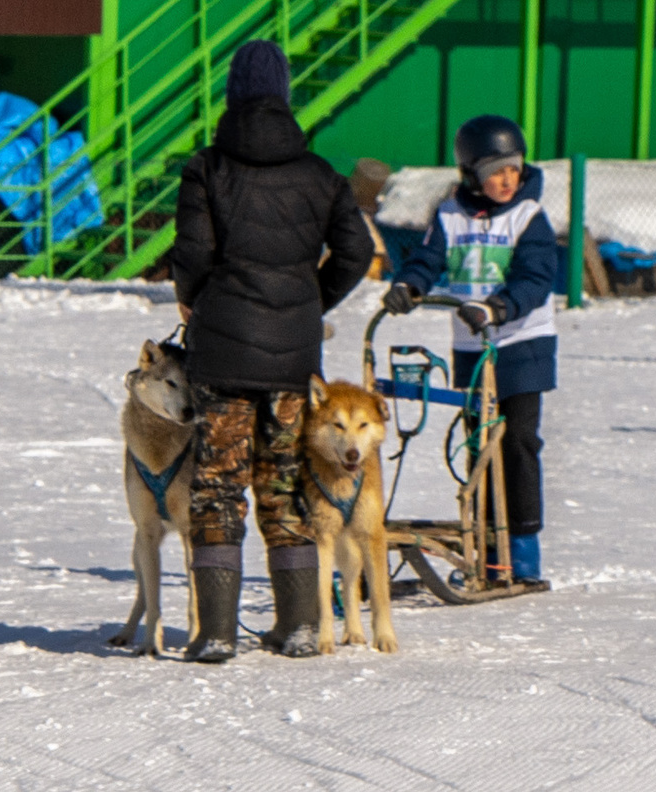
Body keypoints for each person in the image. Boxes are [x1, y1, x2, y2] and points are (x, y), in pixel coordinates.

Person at [168, 40, 375, 659]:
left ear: (231, 94)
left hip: (222, 355)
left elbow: (192, 254)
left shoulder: (206, 168)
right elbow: (358, 253)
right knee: (284, 482)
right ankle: (300, 624)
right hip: (292, 361)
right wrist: (311, 301)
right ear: (285, 95)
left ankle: (216, 631)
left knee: (216, 484)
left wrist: (201, 302)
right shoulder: (321, 175)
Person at [384, 113, 561, 585]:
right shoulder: (449, 214)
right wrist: (409, 285)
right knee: (479, 445)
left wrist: (499, 307)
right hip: (472, 349)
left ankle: (521, 552)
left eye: (514, 168)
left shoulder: (529, 217)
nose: (507, 179)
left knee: (518, 443)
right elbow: (427, 259)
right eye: (495, 171)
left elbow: (537, 277)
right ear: (472, 175)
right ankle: (484, 544)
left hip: (523, 346)